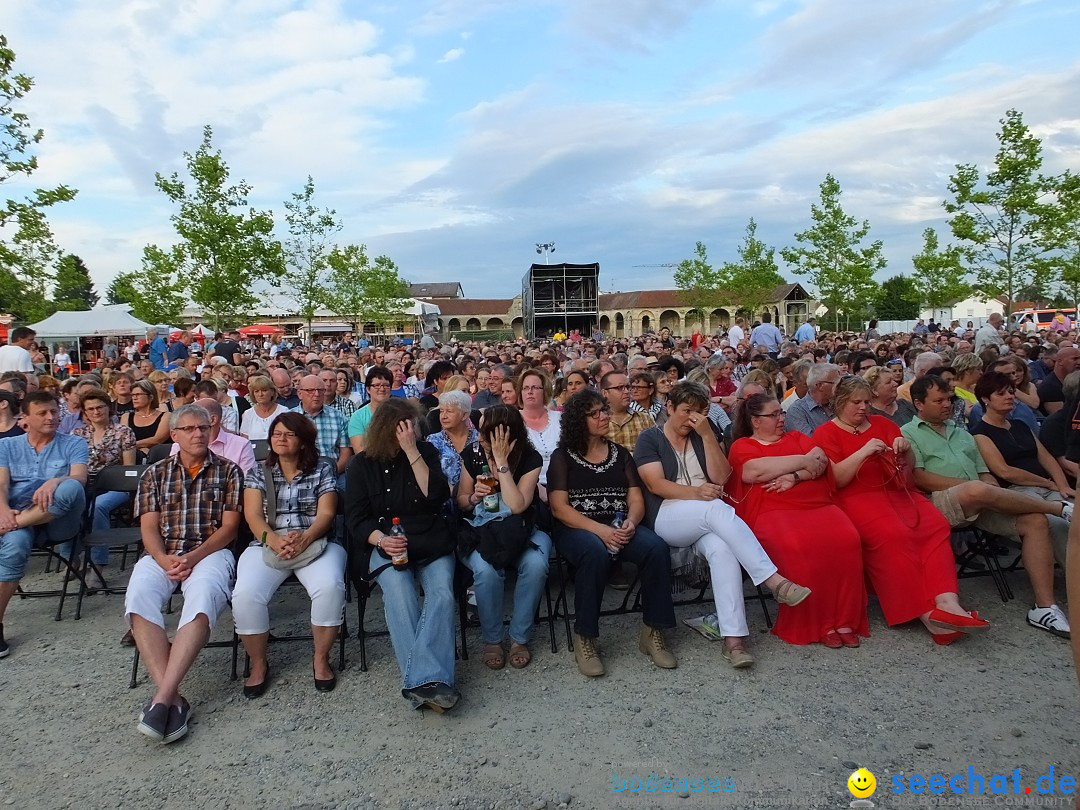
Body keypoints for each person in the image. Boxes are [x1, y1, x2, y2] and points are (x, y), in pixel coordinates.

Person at [635, 382, 812, 666]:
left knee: (723, 551)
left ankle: (734, 641)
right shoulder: (650, 438)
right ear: (669, 408)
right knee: (715, 509)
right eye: (685, 411)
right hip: (668, 515)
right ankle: (773, 580)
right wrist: (696, 492)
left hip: (706, 515)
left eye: (699, 412)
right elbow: (656, 485)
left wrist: (706, 435)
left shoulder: (703, 433)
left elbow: (721, 478)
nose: (691, 418)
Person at [814, 376, 982, 644]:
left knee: (935, 525)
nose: (863, 407)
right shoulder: (826, 433)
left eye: (867, 401)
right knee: (892, 534)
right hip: (857, 499)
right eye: (856, 402)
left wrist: (905, 451)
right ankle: (927, 613)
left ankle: (949, 602)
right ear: (840, 403)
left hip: (898, 493)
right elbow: (836, 479)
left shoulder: (883, 424)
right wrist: (863, 452)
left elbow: (909, 470)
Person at [902, 376, 1072, 638]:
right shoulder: (907, 433)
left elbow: (985, 474)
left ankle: (1044, 606)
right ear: (918, 404)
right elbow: (920, 478)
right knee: (978, 489)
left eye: (949, 399)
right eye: (939, 400)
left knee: (1035, 521)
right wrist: (980, 489)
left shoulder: (962, 434)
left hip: (979, 502)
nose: (947, 404)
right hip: (937, 504)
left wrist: (990, 491)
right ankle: (1060, 509)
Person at [125, 404, 243, 742]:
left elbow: (230, 529)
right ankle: (172, 697)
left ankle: (162, 698)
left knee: (204, 596)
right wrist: (163, 559)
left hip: (209, 552)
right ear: (174, 435)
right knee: (139, 595)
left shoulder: (229, 471)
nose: (198, 434)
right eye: (189, 429)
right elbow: (148, 527)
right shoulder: (155, 473)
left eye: (203, 428)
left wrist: (192, 557)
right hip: (163, 553)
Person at [547, 389, 677, 677]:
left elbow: (635, 498)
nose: (604, 416)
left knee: (656, 547)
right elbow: (559, 508)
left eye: (604, 410)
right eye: (595, 413)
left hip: (619, 525)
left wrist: (632, 521)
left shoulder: (620, 454)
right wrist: (601, 531)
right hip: (578, 527)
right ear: (579, 421)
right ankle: (586, 637)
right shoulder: (562, 457)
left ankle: (653, 631)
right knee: (594, 553)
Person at [727, 392, 868, 648]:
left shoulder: (797, 436)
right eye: (773, 415)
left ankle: (844, 618)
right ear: (755, 421)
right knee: (799, 546)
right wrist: (803, 462)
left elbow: (821, 462)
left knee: (847, 539)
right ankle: (817, 622)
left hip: (816, 504)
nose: (781, 418)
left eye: (781, 412)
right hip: (772, 511)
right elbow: (752, 471)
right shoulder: (743, 446)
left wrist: (794, 476)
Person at [345, 398, 459, 712]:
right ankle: (434, 682)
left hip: (431, 539)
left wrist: (412, 452)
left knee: (442, 594)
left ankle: (421, 683)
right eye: (403, 427)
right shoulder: (361, 465)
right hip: (385, 541)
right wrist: (381, 540)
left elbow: (436, 498)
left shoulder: (427, 453)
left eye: (413, 426)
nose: (410, 431)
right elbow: (355, 518)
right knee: (399, 592)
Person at [233, 413, 344, 696]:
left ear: (304, 441)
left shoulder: (322, 469)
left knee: (330, 586)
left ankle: (321, 658)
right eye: (276, 434)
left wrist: (305, 537)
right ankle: (258, 663)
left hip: (314, 540)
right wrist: (273, 540)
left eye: (288, 434)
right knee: (245, 594)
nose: (280, 439)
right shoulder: (259, 472)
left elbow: (327, 513)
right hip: (268, 542)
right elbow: (253, 515)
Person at [456, 405, 551, 669]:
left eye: (484, 431)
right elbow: (462, 502)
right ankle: (492, 639)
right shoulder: (472, 454)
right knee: (486, 572)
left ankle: (519, 637)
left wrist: (502, 465)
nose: (478, 436)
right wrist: (474, 496)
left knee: (536, 565)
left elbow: (518, 504)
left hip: (521, 528)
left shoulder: (530, 457)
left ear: (503, 434)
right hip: (481, 529)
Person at [0, 392, 88, 658]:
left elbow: (80, 478)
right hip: (18, 517)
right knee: (15, 546)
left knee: (70, 486)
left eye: (54, 412)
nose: (51, 417)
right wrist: (3, 510)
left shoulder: (73, 443)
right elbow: (2, 484)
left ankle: (11, 526)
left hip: (58, 521)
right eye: (42, 413)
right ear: (24, 418)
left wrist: (55, 481)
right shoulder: (7, 446)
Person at [970, 372, 1071, 567]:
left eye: (1010, 392)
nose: (1009, 397)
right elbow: (1004, 471)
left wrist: (1062, 485)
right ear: (985, 399)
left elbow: (1047, 459)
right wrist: (1047, 483)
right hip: (1016, 491)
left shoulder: (1020, 425)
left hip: (1047, 487)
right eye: (1001, 394)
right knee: (1057, 523)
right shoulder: (979, 433)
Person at [69, 388, 137, 567]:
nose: (96, 412)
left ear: (109, 407)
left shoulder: (123, 432)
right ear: (85, 412)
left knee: (98, 507)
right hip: (85, 484)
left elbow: (128, 469)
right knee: (65, 503)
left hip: (117, 485)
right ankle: (72, 555)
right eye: (90, 409)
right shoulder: (77, 435)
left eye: (100, 407)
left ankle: (98, 562)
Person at [292, 374, 351, 486]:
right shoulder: (289, 418)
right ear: (300, 394)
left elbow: (345, 453)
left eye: (320, 390)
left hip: (334, 474)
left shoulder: (338, 416)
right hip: (298, 475)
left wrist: (331, 473)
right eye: (311, 390)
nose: (317, 394)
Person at [170, 398, 256, 473]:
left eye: (197, 415)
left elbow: (248, 483)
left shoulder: (241, 445)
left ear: (212, 420)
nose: (198, 434)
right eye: (188, 428)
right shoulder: (179, 445)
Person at [424, 389, 479, 499]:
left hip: (476, 499)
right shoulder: (433, 441)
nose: (443, 416)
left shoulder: (479, 439)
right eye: (441, 411)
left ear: (464, 415)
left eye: (449, 411)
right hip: (444, 501)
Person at [518, 369, 561, 501]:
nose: (529, 391)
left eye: (535, 387)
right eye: (525, 388)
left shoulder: (561, 419)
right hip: (527, 487)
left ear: (545, 391)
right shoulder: (513, 420)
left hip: (562, 485)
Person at [600, 370, 653, 455]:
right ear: (605, 393)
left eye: (628, 387)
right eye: (620, 388)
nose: (627, 392)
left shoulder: (645, 419)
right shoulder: (598, 422)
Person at [783, 363, 841, 437]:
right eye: (836, 383)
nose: (840, 387)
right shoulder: (796, 411)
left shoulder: (839, 404)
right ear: (820, 385)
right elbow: (809, 443)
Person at [348, 366, 393, 454]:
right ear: (368, 389)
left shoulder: (400, 412)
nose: (382, 389)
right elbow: (359, 450)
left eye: (386, 385)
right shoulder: (358, 416)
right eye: (377, 385)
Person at [122, 379, 170, 460]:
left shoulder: (166, 416)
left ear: (150, 397)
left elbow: (157, 440)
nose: (134, 398)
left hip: (159, 459)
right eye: (133, 395)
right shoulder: (126, 417)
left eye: (138, 394)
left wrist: (132, 446)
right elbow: (123, 441)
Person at [240, 375, 289, 440]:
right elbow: (244, 438)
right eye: (256, 391)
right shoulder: (248, 414)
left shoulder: (284, 411)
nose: (260, 394)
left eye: (264, 390)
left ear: (272, 392)